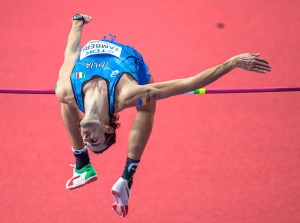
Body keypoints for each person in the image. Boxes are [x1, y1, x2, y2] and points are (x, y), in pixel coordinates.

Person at [55, 14, 271, 217]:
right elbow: (190, 83)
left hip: (85, 72)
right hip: (132, 63)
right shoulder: (128, 94)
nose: (87, 137)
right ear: (107, 128)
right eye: (95, 141)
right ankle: (127, 175)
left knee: (63, 97)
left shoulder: (66, 89)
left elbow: (71, 53)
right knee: (147, 106)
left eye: (88, 141)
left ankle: (83, 162)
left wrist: (77, 22)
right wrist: (232, 63)